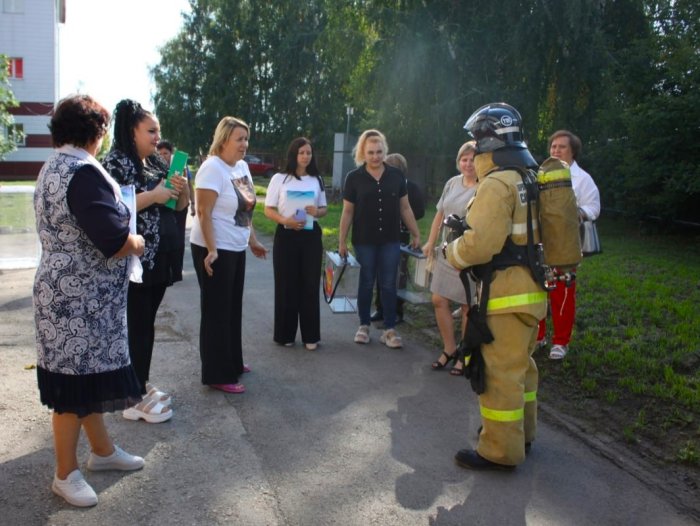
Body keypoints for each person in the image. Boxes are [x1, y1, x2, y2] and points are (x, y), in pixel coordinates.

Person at [34, 94, 146, 507]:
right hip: (77, 301)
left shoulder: (52, 166)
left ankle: (101, 453)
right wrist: (136, 240)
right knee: (70, 386)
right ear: (97, 132)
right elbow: (113, 240)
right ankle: (65, 473)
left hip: (69, 294)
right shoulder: (82, 172)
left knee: (84, 376)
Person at [445, 102, 547, 470]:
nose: (473, 147)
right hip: (533, 292)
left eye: (475, 140)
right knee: (522, 367)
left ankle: (500, 451)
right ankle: (524, 434)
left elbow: (481, 244)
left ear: (488, 142)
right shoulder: (529, 177)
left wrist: (450, 251)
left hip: (505, 295)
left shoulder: (497, 183)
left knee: (500, 374)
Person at [103, 100, 189, 423]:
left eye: (158, 131)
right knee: (136, 324)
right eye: (151, 131)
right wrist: (154, 194)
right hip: (136, 258)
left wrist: (181, 188)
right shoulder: (116, 163)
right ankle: (131, 394)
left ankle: (139, 381)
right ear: (131, 130)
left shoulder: (154, 160)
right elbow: (115, 207)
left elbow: (178, 207)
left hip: (162, 255)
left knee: (145, 324)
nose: (157, 137)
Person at [190, 116, 268, 394]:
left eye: (246, 139)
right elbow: (203, 213)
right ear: (223, 140)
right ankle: (216, 373)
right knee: (216, 312)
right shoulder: (212, 169)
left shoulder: (242, 166)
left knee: (232, 307)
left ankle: (232, 361)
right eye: (239, 139)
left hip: (234, 246)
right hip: (214, 249)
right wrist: (211, 250)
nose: (245, 144)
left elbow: (245, 210)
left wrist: (253, 241)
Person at [338, 129, 421, 348]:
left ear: (385, 151)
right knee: (366, 283)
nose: (375, 156)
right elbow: (347, 212)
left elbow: (405, 207)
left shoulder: (396, 176)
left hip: (390, 240)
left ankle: (390, 329)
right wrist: (341, 241)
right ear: (362, 153)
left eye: (379, 152)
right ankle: (364, 325)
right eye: (371, 152)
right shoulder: (353, 178)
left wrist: (415, 232)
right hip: (364, 240)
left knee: (388, 284)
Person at [536, 130, 601, 360]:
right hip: (542, 241)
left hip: (566, 243)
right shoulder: (541, 174)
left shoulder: (582, 179)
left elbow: (594, 207)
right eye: (553, 147)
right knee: (540, 288)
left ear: (573, 151)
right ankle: (538, 335)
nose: (556, 150)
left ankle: (561, 342)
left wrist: (577, 213)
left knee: (562, 291)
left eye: (561, 147)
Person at [264, 137, 327, 350]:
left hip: (311, 237)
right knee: (286, 284)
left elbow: (324, 209)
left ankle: (311, 336)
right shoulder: (279, 179)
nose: (306, 156)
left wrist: (317, 212)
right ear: (294, 154)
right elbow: (268, 209)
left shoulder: (317, 179)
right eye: (302, 153)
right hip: (287, 235)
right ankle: (285, 334)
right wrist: (285, 221)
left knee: (309, 284)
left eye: (309, 152)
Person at [422, 141, 478, 375]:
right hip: (446, 249)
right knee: (438, 299)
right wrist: (430, 241)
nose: (468, 163)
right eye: (464, 159)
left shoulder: (485, 186)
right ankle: (449, 348)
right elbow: (440, 214)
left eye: (473, 159)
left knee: (467, 305)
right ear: (459, 161)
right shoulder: (451, 183)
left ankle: (465, 354)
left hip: (470, 251)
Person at [370, 153, 425, 324]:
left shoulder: (412, 188)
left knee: (398, 274)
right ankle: (380, 308)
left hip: (401, 235)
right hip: (381, 235)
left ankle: (396, 311)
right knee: (381, 273)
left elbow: (419, 211)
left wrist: (403, 218)